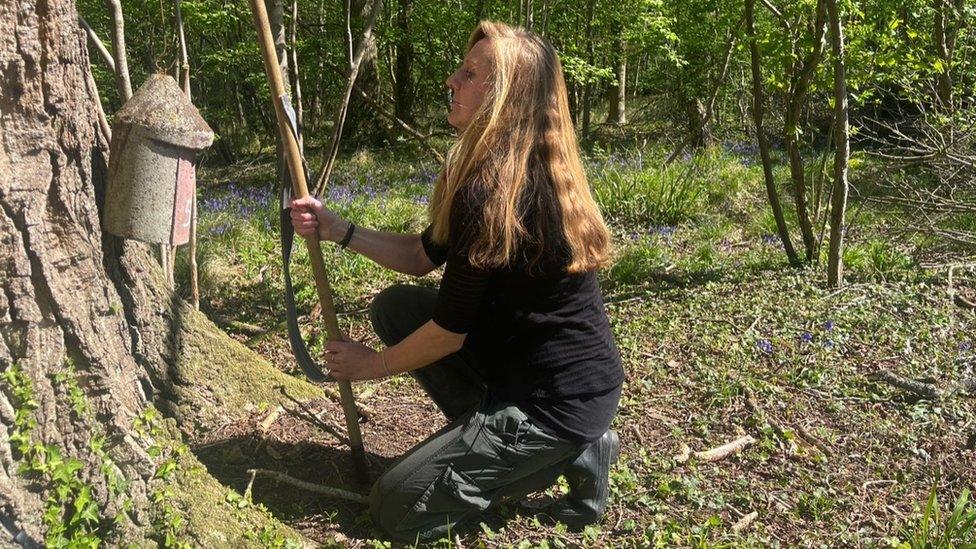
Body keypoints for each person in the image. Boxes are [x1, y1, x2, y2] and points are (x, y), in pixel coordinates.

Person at [289, 20, 624, 543]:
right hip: (529, 366)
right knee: (397, 308)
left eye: (470, 73)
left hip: (555, 403)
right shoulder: (493, 171)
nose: (451, 80)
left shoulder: (496, 193)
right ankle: (494, 435)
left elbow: (448, 333)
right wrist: (340, 230)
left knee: (395, 508)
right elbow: (421, 256)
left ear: (504, 96)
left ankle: (571, 450)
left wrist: (370, 366)